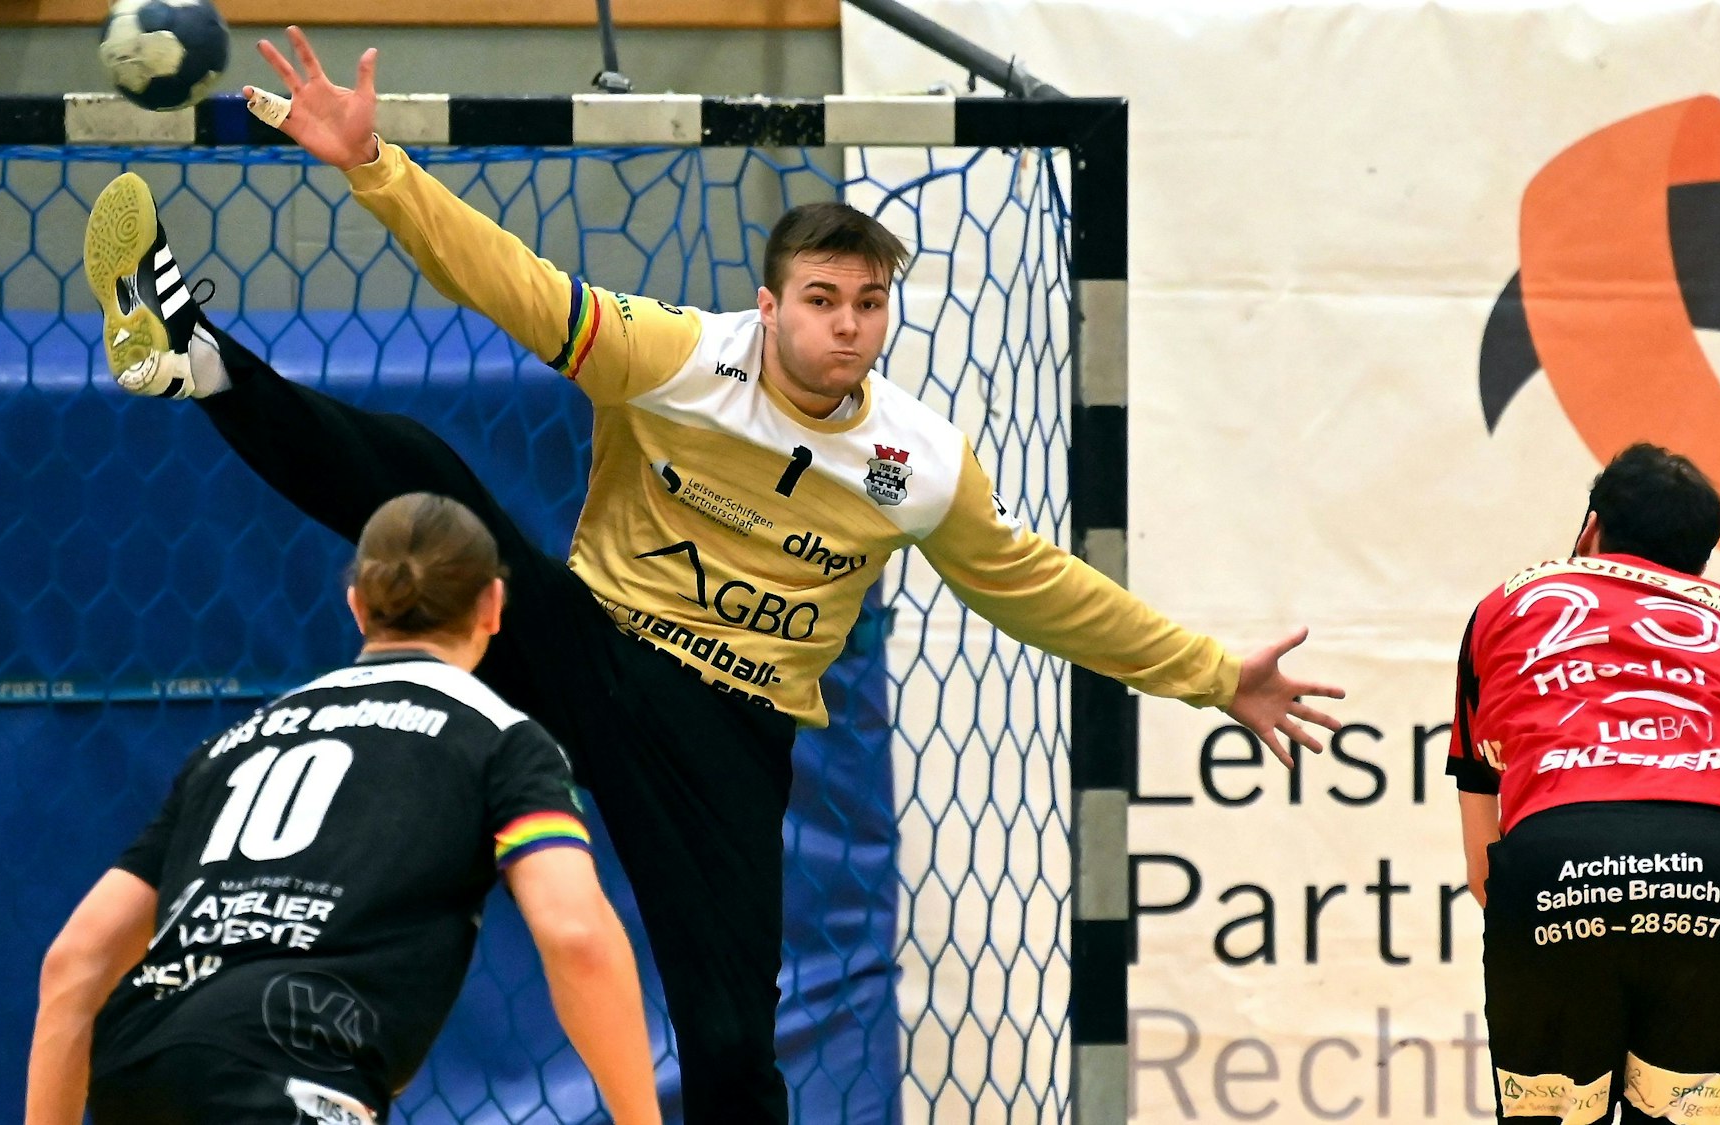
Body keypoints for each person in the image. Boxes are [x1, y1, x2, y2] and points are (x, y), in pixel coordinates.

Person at [79, 27, 1345, 1123]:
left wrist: (1209, 673)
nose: (845, 324)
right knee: (430, 486)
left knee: (732, 1038)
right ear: (769, 302)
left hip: (727, 731)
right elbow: (514, 286)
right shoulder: (681, 358)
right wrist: (374, 168)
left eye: (867, 303)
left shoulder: (916, 462)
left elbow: (1032, 585)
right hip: (592, 646)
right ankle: (194, 357)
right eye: (821, 298)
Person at [25, 494, 659, 1125]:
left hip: (138, 1062)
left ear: (357, 605)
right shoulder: (499, 739)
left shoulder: (234, 745)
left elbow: (75, 962)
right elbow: (577, 936)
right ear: (492, 606)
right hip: (288, 1071)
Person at [1447, 444, 1720, 1125]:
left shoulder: (1503, 606)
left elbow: (1483, 861)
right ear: (1700, 560)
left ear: (1592, 529)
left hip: (1554, 869)